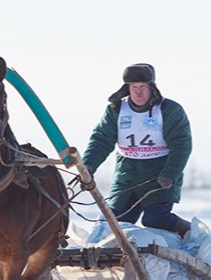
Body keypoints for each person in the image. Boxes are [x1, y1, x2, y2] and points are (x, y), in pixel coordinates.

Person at [82, 63, 193, 237]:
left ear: (152, 88)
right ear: (127, 88)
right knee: (115, 222)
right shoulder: (116, 110)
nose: (138, 92)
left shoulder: (169, 110)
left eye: (143, 86)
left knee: (156, 220)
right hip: (127, 176)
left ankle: (193, 235)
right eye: (134, 87)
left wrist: (170, 174)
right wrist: (88, 165)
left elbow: (181, 144)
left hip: (159, 176)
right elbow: (101, 139)